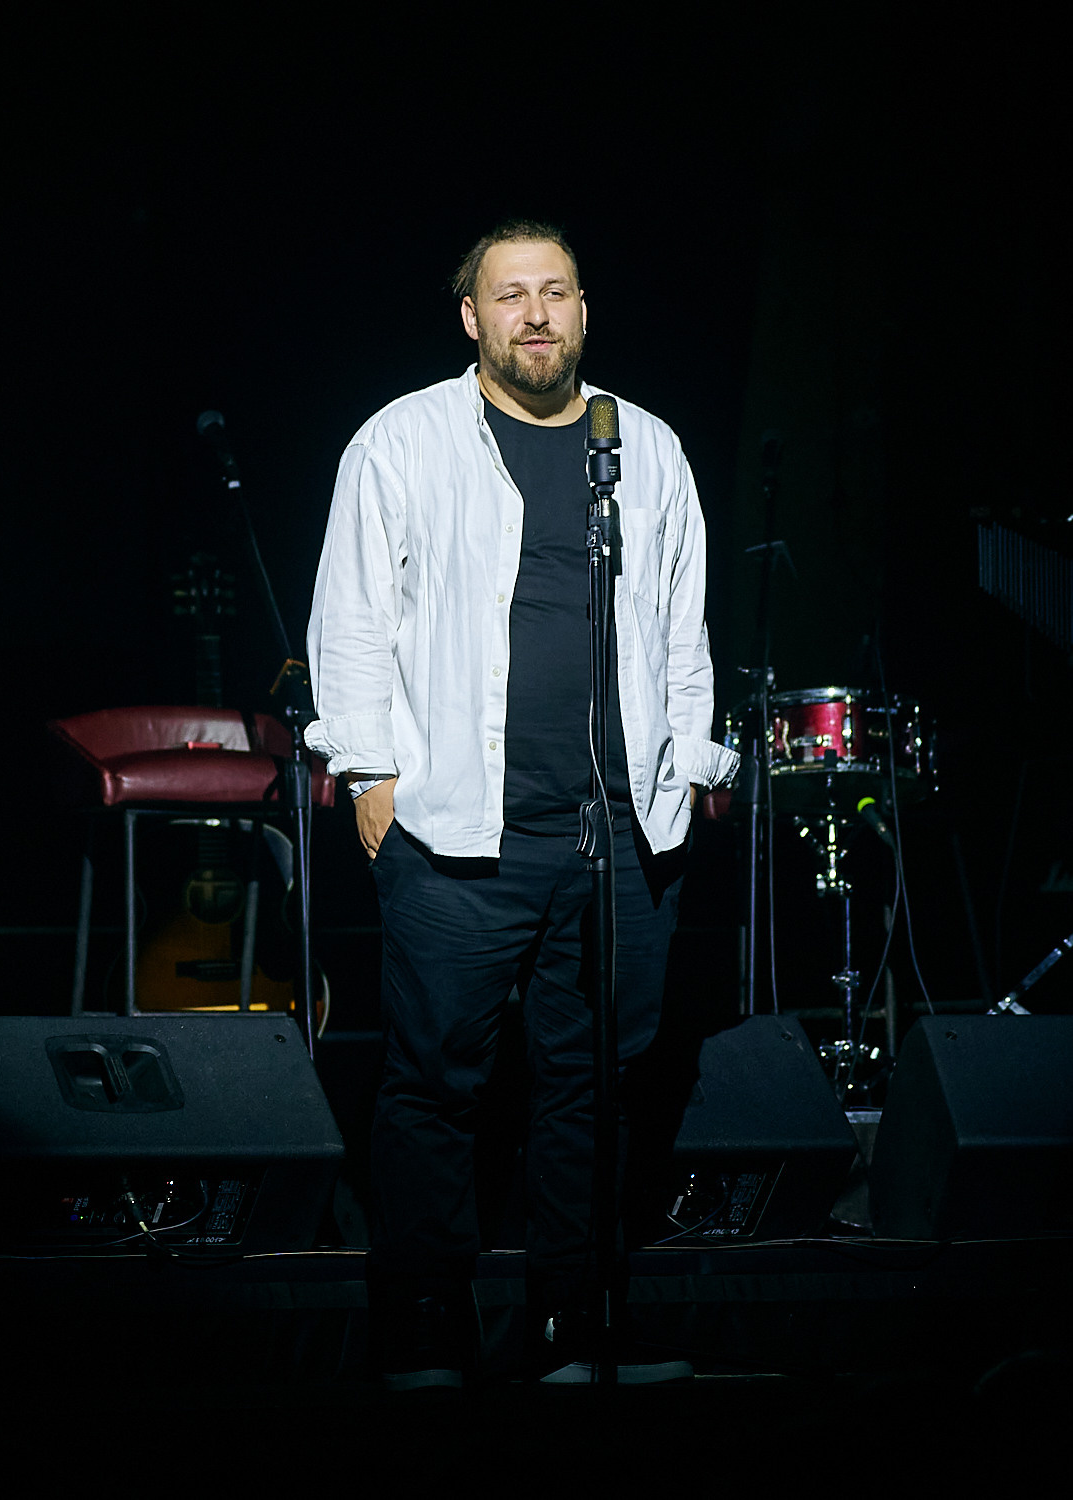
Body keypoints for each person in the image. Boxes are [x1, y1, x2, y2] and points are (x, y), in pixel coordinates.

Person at [305, 218, 737, 1388]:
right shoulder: (402, 441)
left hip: (613, 835)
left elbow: (681, 625)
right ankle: (424, 1333)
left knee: (593, 1089)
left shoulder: (643, 446)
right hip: (451, 829)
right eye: (510, 296)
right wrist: (370, 771)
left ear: (585, 312)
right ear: (471, 319)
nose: (534, 314)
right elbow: (350, 619)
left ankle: (573, 1328)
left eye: (556, 292)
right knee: (433, 1087)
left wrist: (689, 765)